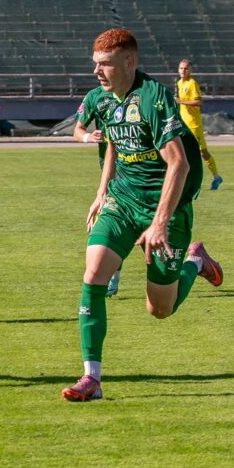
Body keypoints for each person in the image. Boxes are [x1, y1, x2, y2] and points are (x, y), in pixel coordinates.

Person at [61, 29, 223, 402]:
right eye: (95, 64)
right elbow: (114, 142)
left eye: (106, 64)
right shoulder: (99, 98)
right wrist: (102, 192)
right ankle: (92, 378)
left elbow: (178, 163)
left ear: (130, 62)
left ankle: (195, 262)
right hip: (123, 201)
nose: (98, 72)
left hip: (166, 208)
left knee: (159, 309)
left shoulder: (154, 97)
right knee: (93, 274)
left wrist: (160, 223)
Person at [72, 100, 121, 298]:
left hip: (142, 172)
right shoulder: (95, 97)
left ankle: (189, 262)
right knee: (113, 226)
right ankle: (112, 278)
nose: (99, 71)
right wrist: (88, 136)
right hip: (111, 175)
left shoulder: (139, 92)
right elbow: (77, 130)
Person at [176, 59, 223, 190]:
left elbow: (198, 102)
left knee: (203, 153)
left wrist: (180, 101)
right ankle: (186, 181)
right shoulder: (179, 83)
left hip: (194, 125)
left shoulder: (192, 83)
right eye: (181, 68)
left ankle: (216, 177)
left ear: (190, 70)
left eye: (185, 68)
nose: (183, 71)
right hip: (183, 124)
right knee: (182, 152)